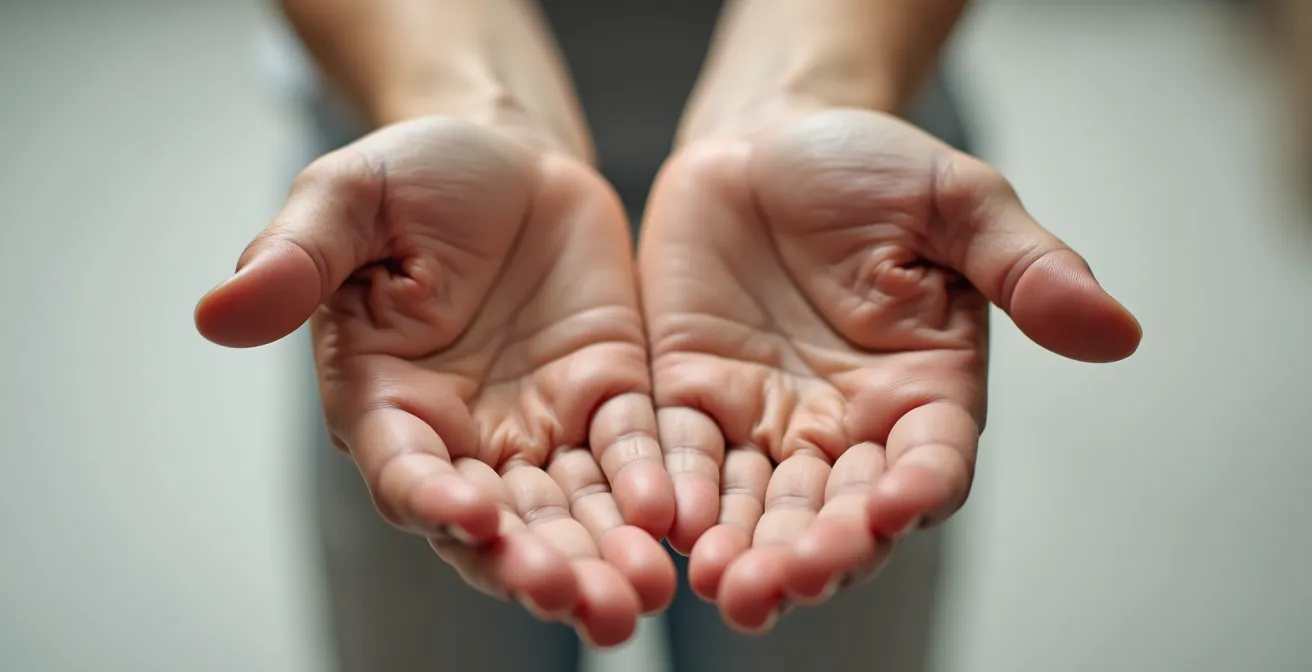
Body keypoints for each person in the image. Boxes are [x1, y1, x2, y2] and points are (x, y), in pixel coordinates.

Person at [195, 1, 1143, 670]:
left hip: (836, 237)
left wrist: (805, 96)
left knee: (816, 597)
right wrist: (469, 103)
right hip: (439, 263)